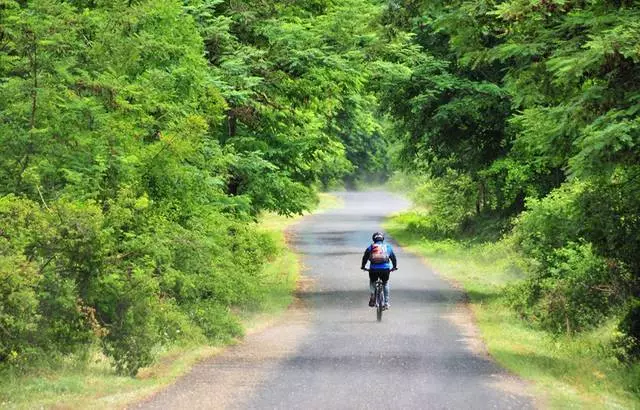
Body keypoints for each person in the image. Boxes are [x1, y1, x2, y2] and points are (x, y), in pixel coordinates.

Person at [361, 232, 397, 309]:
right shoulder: (388, 247)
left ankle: (373, 295)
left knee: (372, 281)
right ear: (383, 239)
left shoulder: (371, 247)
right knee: (385, 283)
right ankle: (386, 303)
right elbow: (393, 258)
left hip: (373, 269)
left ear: (373, 239)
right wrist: (394, 267)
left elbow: (365, 258)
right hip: (385, 270)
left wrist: (363, 266)